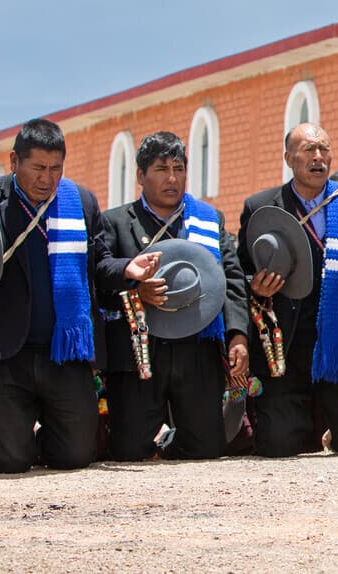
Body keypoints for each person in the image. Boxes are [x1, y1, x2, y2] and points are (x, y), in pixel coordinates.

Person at [0, 119, 156, 472]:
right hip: (4, 353)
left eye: (55, 168)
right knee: (10, 460)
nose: (47, 178)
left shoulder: (79, 201)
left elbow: (100, 264)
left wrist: (127, 270)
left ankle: (39, 441)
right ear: (14, 161)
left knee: (75, 456)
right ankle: (10, 441)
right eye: (38, 168)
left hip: (63, 352)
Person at [238, 123, 338, 457]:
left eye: (324, 149)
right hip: (287, 341)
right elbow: (243, 270)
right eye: (308, 150)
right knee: (278, 445)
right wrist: (256, 287)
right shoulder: (262, 207)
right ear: (289, 158)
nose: (318, 157)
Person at [100, 132, 250, 461]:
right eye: (161, 169)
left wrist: (238, 334)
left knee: (207, 448)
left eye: (179, 168)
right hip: (140, 350)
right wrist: (135, 289)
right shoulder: (115, 222)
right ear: (140, 176)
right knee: (129, 451)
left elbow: (232, 279)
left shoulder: (208, 219)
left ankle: (170, 442)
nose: (172, 178)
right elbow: (101, 273)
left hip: (196, 345)